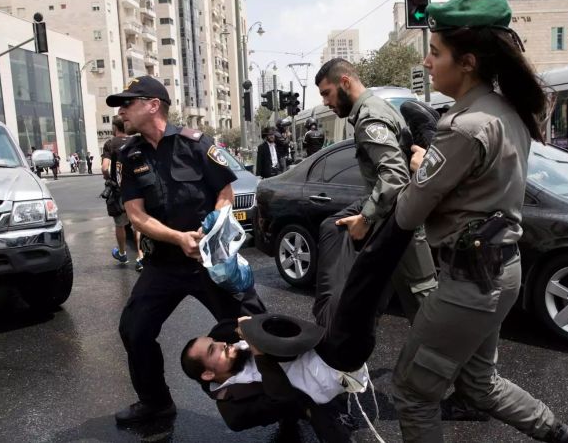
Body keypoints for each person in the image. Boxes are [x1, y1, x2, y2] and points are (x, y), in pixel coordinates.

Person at [390, 0, 568, 442]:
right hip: (499, 272)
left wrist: (419, 170)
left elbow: (407, 213)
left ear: (468, 61)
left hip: (466, 280)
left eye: (435, 52)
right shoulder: (509, 111)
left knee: (413, 392)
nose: (428, 61)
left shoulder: (464, 126)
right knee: (479, 384)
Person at [106, 75, 267, 427]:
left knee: (256, 327)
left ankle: (288, 398)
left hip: (210, 263)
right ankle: (155, 404)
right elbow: (135, 214)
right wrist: (178, 238)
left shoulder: (196, 144)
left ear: (153, 105)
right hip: (164, 264)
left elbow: (225, 193)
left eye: (128, 102)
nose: (121, 110)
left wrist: (212, 228)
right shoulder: (128, 154)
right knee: (134, 330)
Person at [181, 208, 416, 442]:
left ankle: (385, 198)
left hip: (321, 333)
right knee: (364, 278)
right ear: (208, 374)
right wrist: (258, 350)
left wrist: (208, 253)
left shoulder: (226, 342)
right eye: (213, 350)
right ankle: (414, 201)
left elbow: (233, 299)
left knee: (332, 227)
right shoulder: (234, 411)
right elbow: (282, 399)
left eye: (215, 342)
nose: (222, 344)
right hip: (337, 360)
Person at [314, 58, 437, 321]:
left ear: (345, 82)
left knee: (424, 303)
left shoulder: (370, 119)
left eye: (327, 93)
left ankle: (446, 361)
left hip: (401, 226)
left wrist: (366, 217)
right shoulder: (378, 107)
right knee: (369, 298)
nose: (325, 102)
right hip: (391, 224)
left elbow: (394, 175)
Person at [101, 116, 145, 271]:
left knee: (120, 223)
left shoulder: (110, 144)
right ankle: (140, 256)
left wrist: (110, 178)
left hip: (119, 191)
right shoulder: (137, 141)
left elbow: (105, 167)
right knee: (137, 223)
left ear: (114, 128)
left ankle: (122, 253)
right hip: (138, 188)